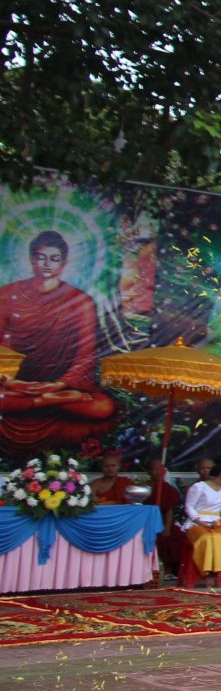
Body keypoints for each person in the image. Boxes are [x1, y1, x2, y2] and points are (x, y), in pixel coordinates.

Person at [0, 229, 118, 451]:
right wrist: (11, 382)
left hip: (60, 384)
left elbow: (85, 355)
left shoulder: (80, 301)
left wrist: (59, 384)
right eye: (41, 257)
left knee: (103, 407)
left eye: (54, 259)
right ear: (31, 259)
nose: (47, 264)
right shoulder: (6, 295)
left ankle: (40, 400)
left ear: (63, 263)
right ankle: (49, 401)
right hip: (15, 385)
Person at [184, 455, 221, 587]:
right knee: (207, 538)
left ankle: (216, 571)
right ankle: (207, 572)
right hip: (197, 522)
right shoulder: (199, 487)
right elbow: (189, 506)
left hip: (217, 521)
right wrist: (199, 521)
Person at [147, 455, 185, 581]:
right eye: (153, 469)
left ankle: (169, 570)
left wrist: (167, 527)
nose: (156, 472)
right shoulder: (145, 488)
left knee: (176, 536)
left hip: (163, 522)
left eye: (159, 469)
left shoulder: (167, 489)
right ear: (149, 471)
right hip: (146, 522)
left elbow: (169, 510)